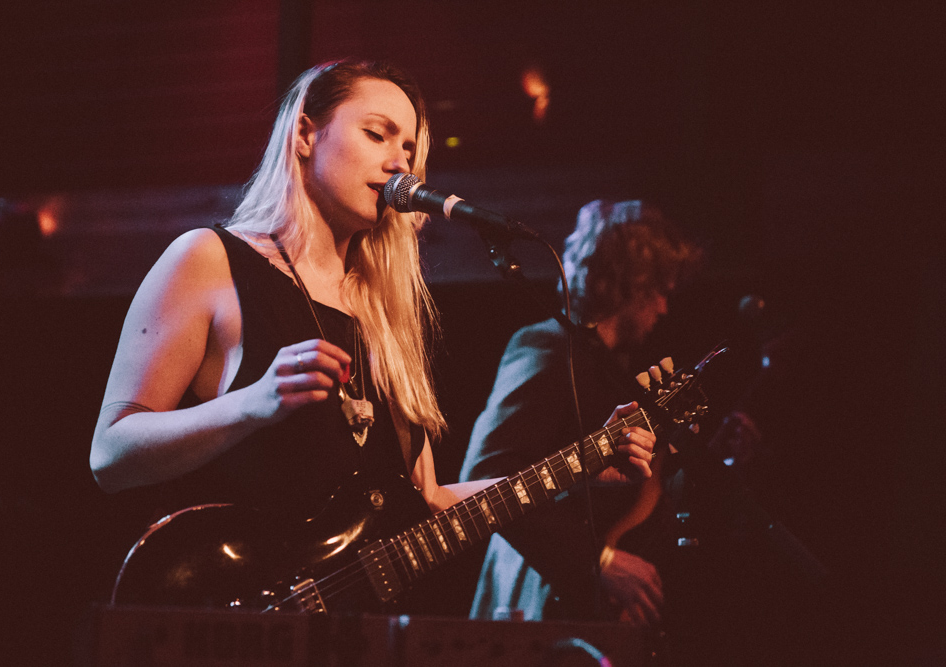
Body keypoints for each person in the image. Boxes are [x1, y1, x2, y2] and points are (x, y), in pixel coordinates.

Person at [88, 60, 657, 612]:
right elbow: (111, 453)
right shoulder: (210, 259)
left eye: (409, 148)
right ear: (306, 134)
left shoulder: (384, 313)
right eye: (377, 134)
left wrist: (578, 467)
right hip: (231, 609)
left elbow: (430, 503)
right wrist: (255, 403)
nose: (399, 164)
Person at [460, 199, 700, 627]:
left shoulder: (607, 367)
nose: (664, 308)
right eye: (659, 290)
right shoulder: (550, 348)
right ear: (632, 283)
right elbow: (485, 473)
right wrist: (599, 560)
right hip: (534, 598)